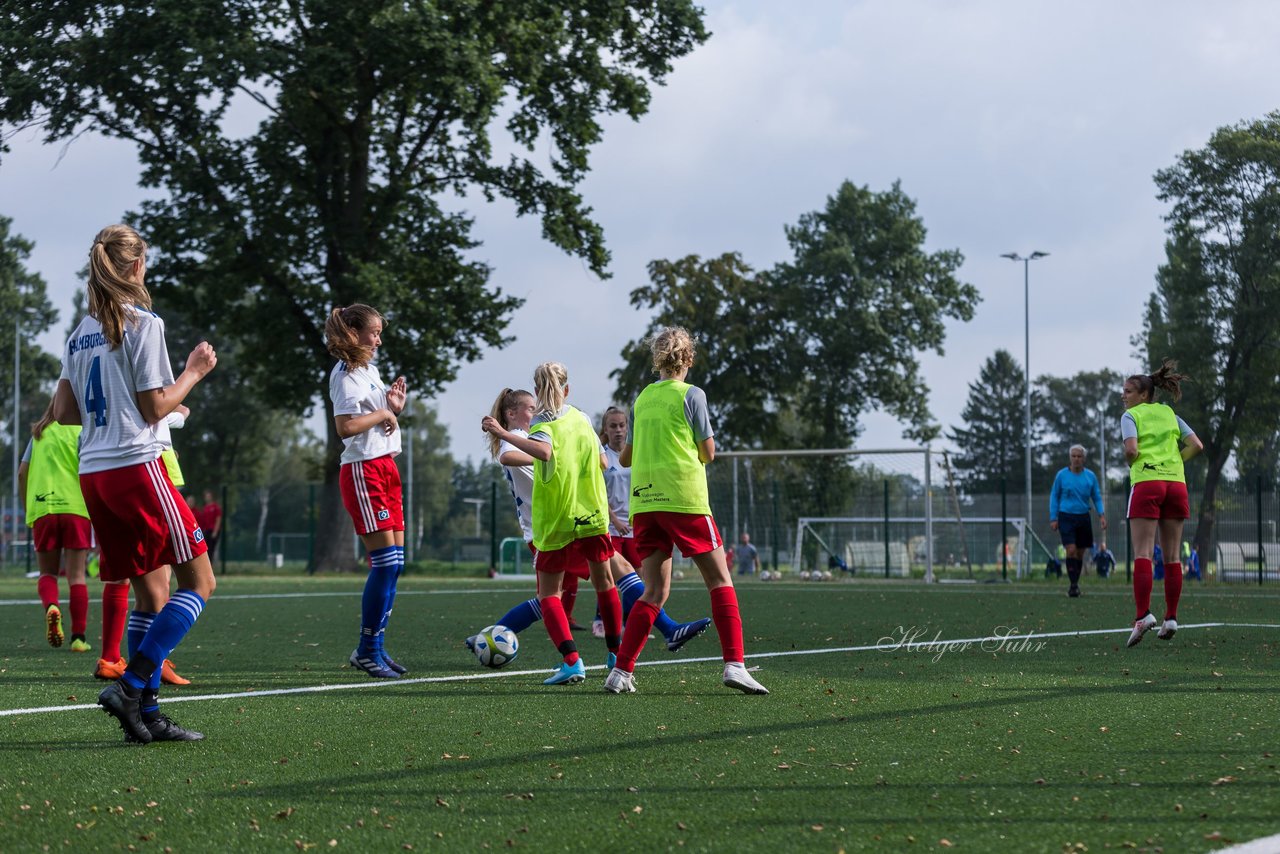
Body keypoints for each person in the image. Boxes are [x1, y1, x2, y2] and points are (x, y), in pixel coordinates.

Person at [52, 223, 217, 743]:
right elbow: (153, 409)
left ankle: (145, 715)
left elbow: (62, 410)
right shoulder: (142, 322)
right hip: (136, 466)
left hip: (94, 474)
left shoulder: (79, 332)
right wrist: (193, 372)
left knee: (150, 593)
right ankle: (131, 684)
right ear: (137, 267)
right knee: (199, 583)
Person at [471, 392, 709, 660]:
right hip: (551, 528)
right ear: (511, 415)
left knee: (558, 595)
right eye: (529, 408)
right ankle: (646, 638)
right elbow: (508, 456)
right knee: (579, 587)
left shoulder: (541, 433)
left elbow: (594, 461)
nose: (535, 410)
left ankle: (494, 634)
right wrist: (553, 455)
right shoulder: (520, 437)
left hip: (563, 524)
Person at [604, 326, 768, 696]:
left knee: (654, 592)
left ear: (657, 360)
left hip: (645, 503)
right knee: (720, 581)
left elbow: (627, 456)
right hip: (683, 499)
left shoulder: (642, 399)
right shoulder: (693, 395)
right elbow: (708, 453)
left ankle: (621, 671)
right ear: (688, 360)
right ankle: (735, 665)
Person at [481, 363, 624, 685]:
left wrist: (502, 433)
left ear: (538, 390)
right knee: (606, 585)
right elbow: (602, 461)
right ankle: (616, 656)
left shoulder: (542, 424)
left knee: (549, 596)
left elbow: (544, 452)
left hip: (556, 518)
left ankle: (572, 661)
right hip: (592, 513)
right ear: (567, 390)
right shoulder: (583, 418)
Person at [326, 304, 409, 679]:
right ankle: (366, 649)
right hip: (363, 472)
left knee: (396, 564)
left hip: (385, 466)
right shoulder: (344, 376)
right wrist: (383, 415)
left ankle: (376, 646)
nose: (378, 341)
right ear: (353, 332)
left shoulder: (369, 372)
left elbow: (377, 420)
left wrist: (390, 407)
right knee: (385, 564)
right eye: (373, 333)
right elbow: (345, 427)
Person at [1120, 361, 1203, 647]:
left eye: (1128, 391)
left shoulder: (1131, 416)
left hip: (1148, 483)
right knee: (1173, 557)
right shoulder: (1169, 413)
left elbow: (1131, 449)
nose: (1124, 396)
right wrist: (1173, 463)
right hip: (1176, 485)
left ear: (1143, 395)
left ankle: (1143, 615)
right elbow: (1197, 445)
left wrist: (1133, 461)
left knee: (1143, 553)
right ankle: (1170, 618)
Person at [19, 400, 92, 652]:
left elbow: (21, 473)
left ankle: (52, 605)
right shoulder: (83, 431)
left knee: (47, 574)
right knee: (77, 576)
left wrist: (29, 507)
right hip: (76, 509)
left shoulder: (39, 433)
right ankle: (79, 638)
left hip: (44, 509)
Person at [1048, 444, 1107, 598]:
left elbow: (1096, 497)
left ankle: (1075, 583)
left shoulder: (1090, 476)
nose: (1076, 459)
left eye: (1079, 456)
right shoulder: (1061, 476)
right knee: (1071, 550)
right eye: (1073, 456)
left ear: (1084, 458)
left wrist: (1101, 515)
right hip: (1065, 516)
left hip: (1083, 517)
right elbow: (1054, 495)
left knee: (1080, 553)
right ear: (1070, 458)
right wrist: (1053, 517)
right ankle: (1073, 585)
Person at [196, 488, 223, 560]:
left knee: (211, 549)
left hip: (212, 530)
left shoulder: (216, 507)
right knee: (205, 549)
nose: (207, 498)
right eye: (206, 496)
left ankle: (210, 565)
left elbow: (218, 519)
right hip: (206, 530)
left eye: (209, 496)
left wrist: (215, 531)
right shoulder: (205, 508)